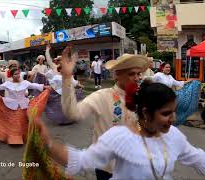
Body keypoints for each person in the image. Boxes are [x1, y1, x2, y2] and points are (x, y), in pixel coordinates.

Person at [36, 81, 205, 179]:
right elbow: (83, 160)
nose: (173, 119)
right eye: (166, 113)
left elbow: (199, 158)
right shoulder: (120, 136)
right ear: (146, 112)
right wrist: (48, 144)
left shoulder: (174, 136)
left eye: (173, 112)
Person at [60, 46, 149, 179]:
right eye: (132, 74)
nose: (137, 78)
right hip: (107, 168)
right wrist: (67, 79)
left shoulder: (141, 97)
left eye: (138, 74)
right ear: (117, 74)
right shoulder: (102, 96)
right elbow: (73, 113)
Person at [0, 68, 51, 145]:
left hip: (23, 105)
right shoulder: (7, 84)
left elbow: (34, 85)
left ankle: (22, 137)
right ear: (11, 75)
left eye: (18, 73)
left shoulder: (25, 83)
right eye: (15, 74)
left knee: (22, 123)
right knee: (14, 124)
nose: (18, 75)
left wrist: (45, 87)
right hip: (11, 105)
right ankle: (15, 139)